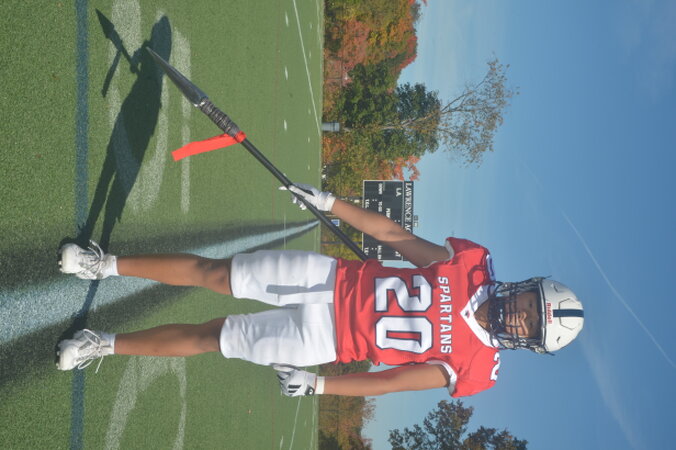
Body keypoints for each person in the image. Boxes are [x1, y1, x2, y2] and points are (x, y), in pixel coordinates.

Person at [56, 183, 584, 397]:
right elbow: (393, 236)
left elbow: (392, 381)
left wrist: (320, 386)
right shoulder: (469, 265)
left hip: (326, 341)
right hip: (328, 279)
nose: (521, 316)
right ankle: (104, 264)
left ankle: (101, 344)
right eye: (530, 305)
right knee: (214, 272)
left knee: (212, 337)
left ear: (528, 342)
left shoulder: (477, 367)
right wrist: (331, 204)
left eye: (531, 324)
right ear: (526, 289)